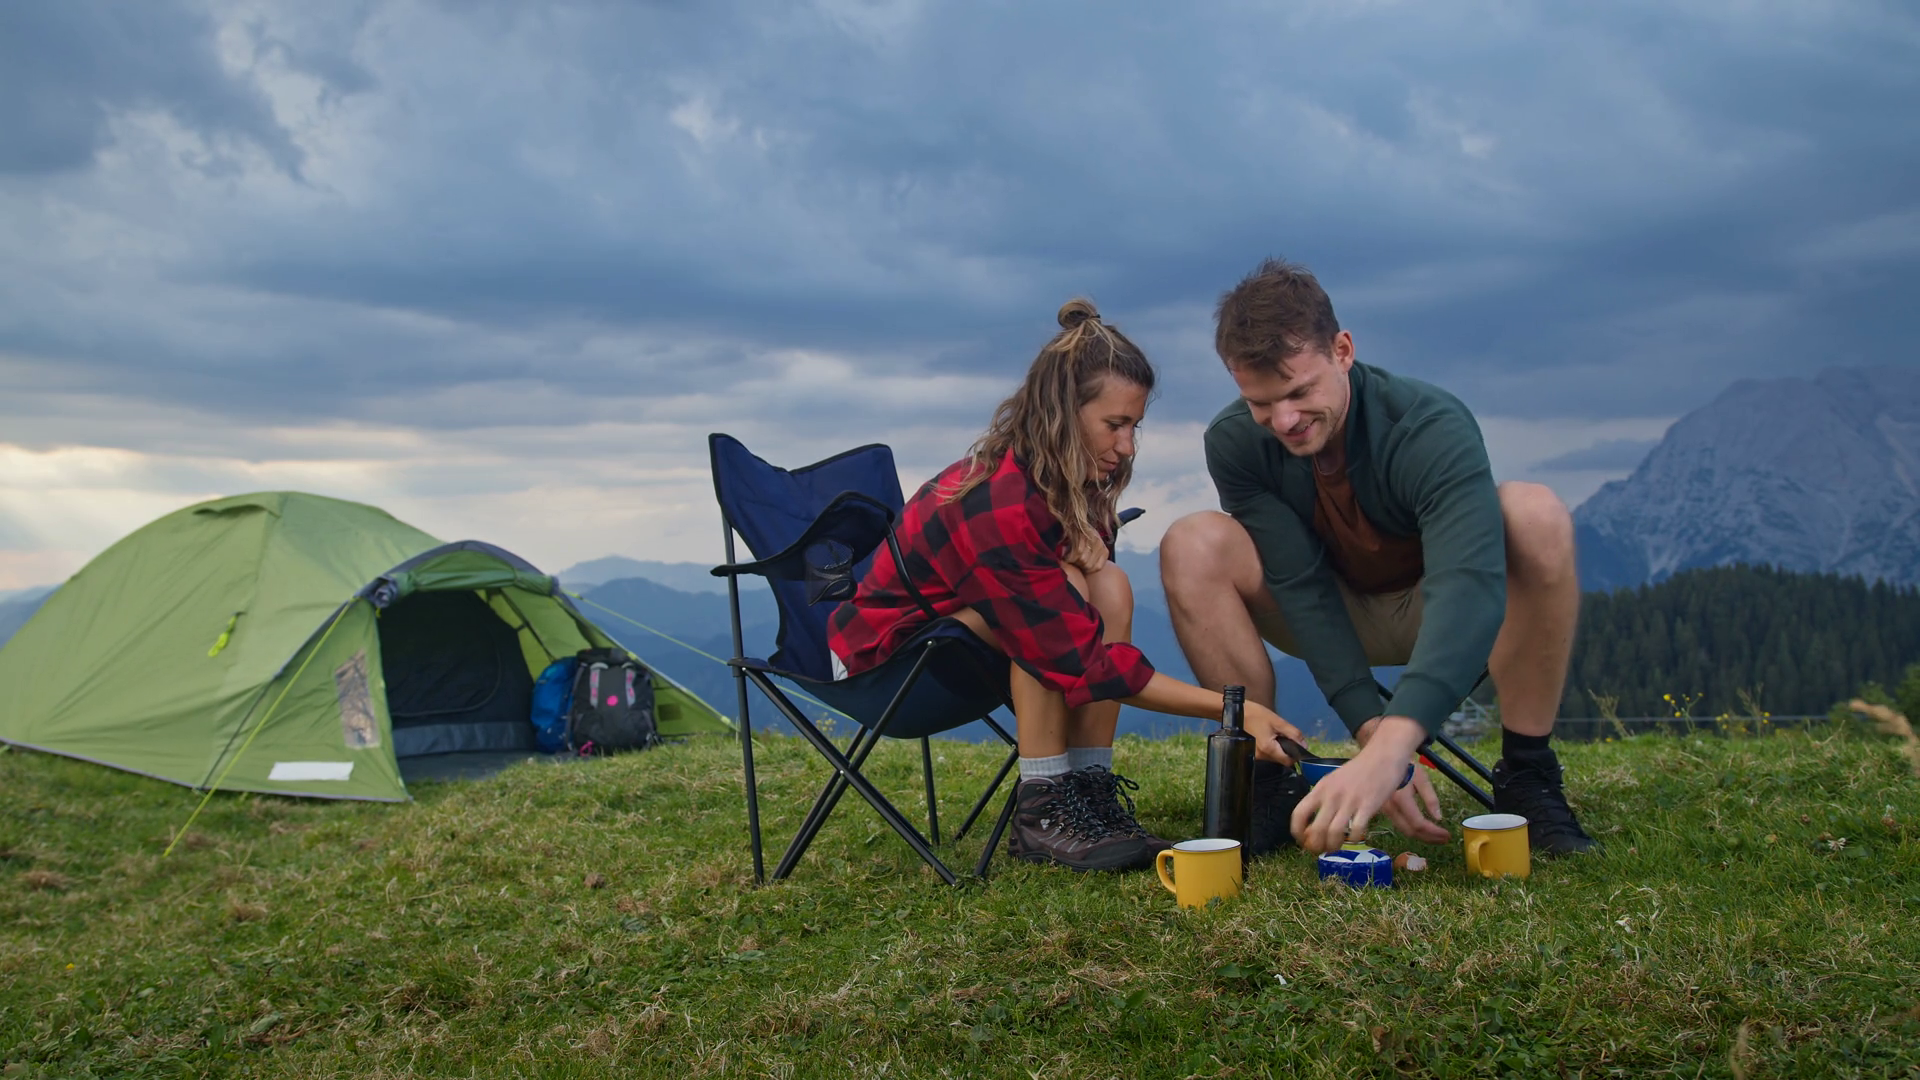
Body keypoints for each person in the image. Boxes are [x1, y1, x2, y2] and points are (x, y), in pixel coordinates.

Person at [828, 299, 1307, 873]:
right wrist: (1233, 712)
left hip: (959, 644)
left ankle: (1088, 792)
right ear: (1061, 412)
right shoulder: (996, 500)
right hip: (886, 665)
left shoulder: (1060, 482)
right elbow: (1079, 661)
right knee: (1066, 590)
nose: (1127, 447)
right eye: (1115, 425)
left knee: (1110, 583)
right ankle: (1043, 808)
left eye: (1134, 426)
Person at [1160, 258, 1598, 857]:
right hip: (1327, 609)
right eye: (1261, 402)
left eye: (1300, 391)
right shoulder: (1236, 441)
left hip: (1437, 607)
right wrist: (1370, 729)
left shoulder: (1429, 425)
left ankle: (1528, 774)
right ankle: (1266, 776)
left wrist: (1394, 745)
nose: (1283, 420)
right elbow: (1300, 585)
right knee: (1192, 541)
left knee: (1534, 513)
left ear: (1342, 350)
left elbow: (1467, 590)